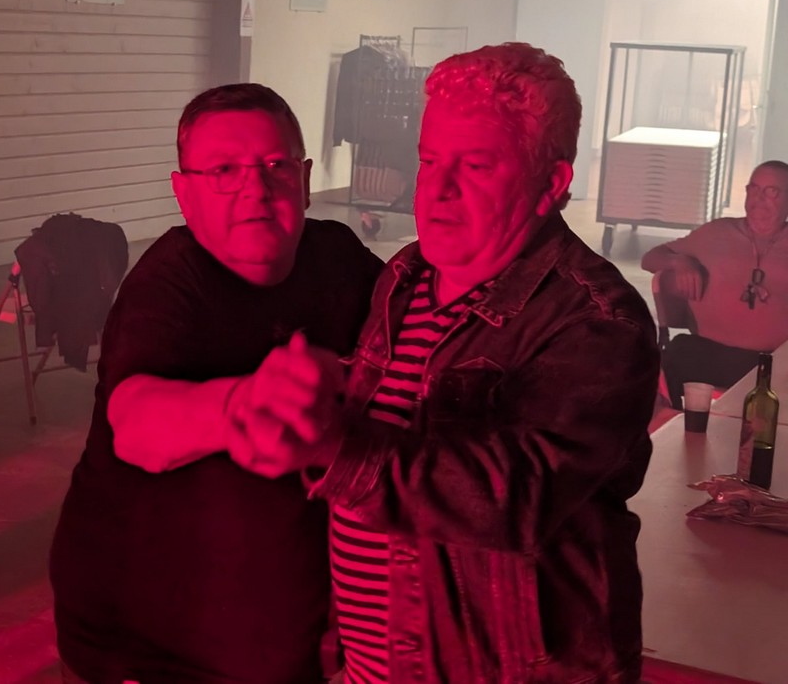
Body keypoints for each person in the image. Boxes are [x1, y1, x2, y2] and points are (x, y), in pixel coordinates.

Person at [234, 43, 661, 682]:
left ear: (550, 185)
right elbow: (404, 424)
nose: (438, 188)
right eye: (429, 160)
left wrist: (334, 446)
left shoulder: (598, 321)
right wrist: (323, 390)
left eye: (477, 166)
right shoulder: (405, 277)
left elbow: (515, 493)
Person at [49, 83, 384, 684]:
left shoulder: (336, 255)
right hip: (153, 648)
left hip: (279, 641)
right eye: (224, 171)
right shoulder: (168, 285)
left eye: (276, 166)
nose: (256, 190)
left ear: (305, 179)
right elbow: (137, 423)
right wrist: (241, 404)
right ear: (184, 193)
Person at [641, 160, 788, 408]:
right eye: (753, 189)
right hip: (706, 352)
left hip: (773, 364)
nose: (758, 199)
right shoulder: (716, 232)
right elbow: (650, 258)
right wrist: (679, 261)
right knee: (659, 364)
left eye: (771, 191)